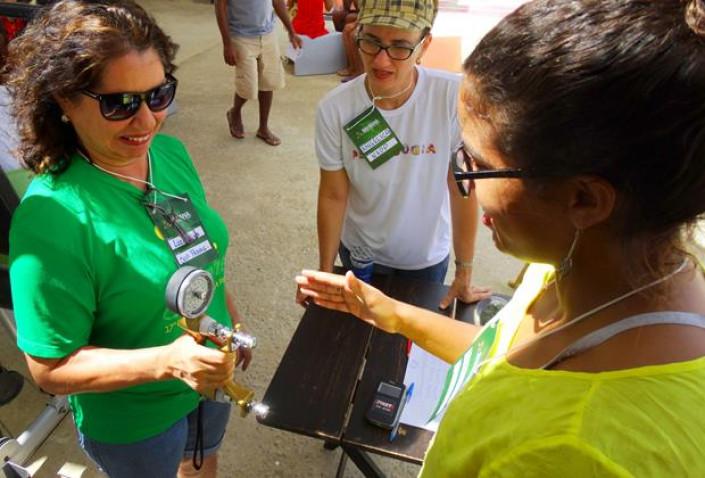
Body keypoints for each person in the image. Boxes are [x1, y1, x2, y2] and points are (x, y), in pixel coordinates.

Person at [297, 0, 705, 474]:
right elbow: (497, 352)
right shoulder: (573, 270)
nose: (464, 185)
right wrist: (391, 312)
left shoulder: (572, 454)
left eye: (479, 166)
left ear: (586, 200)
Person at [6, 1, 251, 477]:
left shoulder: (170, 153)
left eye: (159, 95)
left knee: (202, 463)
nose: (146, 123)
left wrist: (230, 319)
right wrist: (167, 362)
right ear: (63, 99)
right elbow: (50, 368)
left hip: (208, 375)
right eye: (119, 103)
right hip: (134, 419)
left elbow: (199, 251)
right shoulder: (52, 218)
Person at [297, 0, 490, 309]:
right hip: (358, 255)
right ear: (357, 34)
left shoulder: (452, 98)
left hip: (425, 259)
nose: (381, 61)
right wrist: (324, 270)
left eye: (400, 47)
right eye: (371, 42)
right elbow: (333, 194)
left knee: (408, 348)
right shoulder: (335, 108)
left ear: (425, 44)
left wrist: (464, 270)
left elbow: (462, 187)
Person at [215, 0, 302, 147]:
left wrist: (292, 32)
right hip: (241, 36)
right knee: (248, 86)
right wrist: (227, 44)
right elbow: (220, 5)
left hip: (267, 34)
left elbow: (277, 2)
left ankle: (263, 128)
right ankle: (234, 112)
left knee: (269, 81)